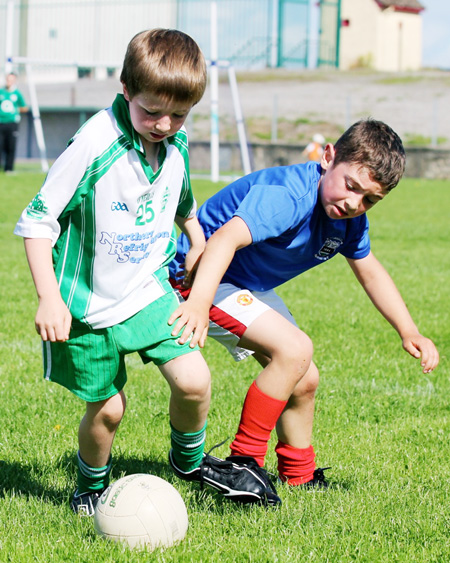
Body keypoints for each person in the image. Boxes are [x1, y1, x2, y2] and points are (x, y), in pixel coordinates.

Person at [14, 29, 278, 516]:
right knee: (109, 411)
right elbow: (37, 222)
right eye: (151, 110)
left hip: (146, 290)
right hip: (85, 305)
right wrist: (49, 298)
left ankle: (190, 464)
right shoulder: (94, 143)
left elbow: (183, 203)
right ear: (125, 89)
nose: (164, 124)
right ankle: (90, 487)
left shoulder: (174, 147)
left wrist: (196, 237)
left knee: (195, 381)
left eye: (178, 114)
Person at [168, 119, 440, 503]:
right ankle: (242, 463)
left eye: (369, 200)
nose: (354, 204)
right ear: (328, 157)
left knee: (304, 377)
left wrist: (408, 330)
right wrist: (197, 302)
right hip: (200, 275)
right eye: (351, 187)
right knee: (294, 350)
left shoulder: (350, 221)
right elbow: (224, 240)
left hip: (242, 283)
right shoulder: (290, 196)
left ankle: (299, 475)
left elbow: (371, 274)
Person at [0, 72, 28, 173]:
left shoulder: (17, 94)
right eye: (8, 79)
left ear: (14, 81)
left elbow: (24, 108)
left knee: (10, 146)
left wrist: (15, 109)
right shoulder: (1, 92)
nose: (9, 82)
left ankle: (9, 168)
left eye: (11, 80)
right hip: (1, 122)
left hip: (12, 123)